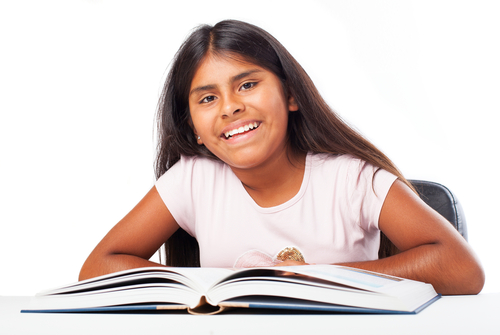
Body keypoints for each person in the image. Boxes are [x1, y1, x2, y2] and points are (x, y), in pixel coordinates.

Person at [79, 20, 484, 295]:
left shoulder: (351, 179)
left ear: (290, 95)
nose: (229, 107)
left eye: (248, 84)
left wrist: (308, 281)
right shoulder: (193, 179)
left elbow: (462, 269)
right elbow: (98, 266)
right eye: (208, 98)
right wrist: (210, 283)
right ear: (193, 128)